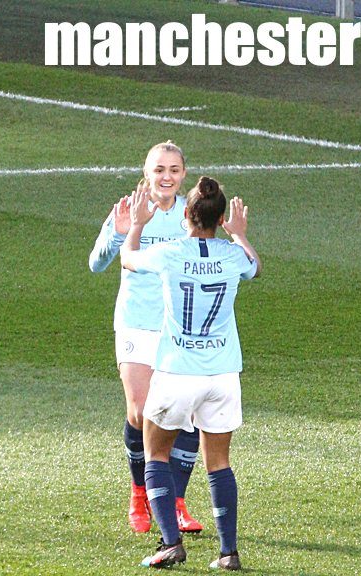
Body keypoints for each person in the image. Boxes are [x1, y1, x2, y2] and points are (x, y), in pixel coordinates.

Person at [121, 176, 261, 570]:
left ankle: (170, 544)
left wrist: (137, 224)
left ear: (186, 214)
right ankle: (228, 553)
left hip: (177, 371)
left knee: (156, 454)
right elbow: (255, 266)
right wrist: (240, 235)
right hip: (222, 375)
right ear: (220, 220)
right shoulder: (234, 256)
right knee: (219, 462)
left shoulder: (169, 253)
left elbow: (128, 259)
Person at [88, 142, 205, 534]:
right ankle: (139, 493)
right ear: (147, 171)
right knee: (140, 410)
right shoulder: (130, 209)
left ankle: (175, 503)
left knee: (185, 415)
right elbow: (96, 262)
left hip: (178, 327)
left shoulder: (191, 215)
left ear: (183, 174)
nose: (166, 176)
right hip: (137, 322)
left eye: (173, 169)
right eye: (159, 169)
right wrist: (120, 235)